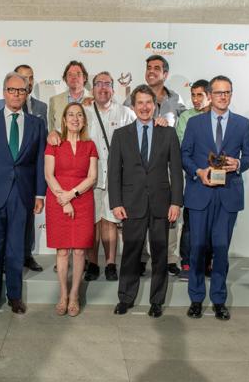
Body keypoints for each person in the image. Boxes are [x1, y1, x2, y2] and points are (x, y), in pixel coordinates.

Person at [0, 72, 47, 315]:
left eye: (21, 90)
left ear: (27, 94)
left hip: (23, 195)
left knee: (16, 247)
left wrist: (40, 195)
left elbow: (39, 162)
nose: (16, 94)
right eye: (12, 90)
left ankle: (14, 295)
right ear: (4, 92)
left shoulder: (37, 123)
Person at [181, 75, 249, 321]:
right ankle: (196, 299)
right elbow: (185, 155)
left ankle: (219, 300)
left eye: (227, 92)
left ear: (231, 95)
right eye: (219, 92)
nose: (223, 96)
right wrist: (198, 172)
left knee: (221, 251)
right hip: (200, 193)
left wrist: (238, 164)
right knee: (197, 249)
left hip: (228, 196)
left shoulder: (243, 124)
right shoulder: (195, 123)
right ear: (209, 95)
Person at [109, 85, 183, 318]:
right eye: (139, 103)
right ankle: (126, 298)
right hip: (131, 204)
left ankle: (157, 301)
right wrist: (116, 203)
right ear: (133, 106)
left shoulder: (168, 133)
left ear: (155, 105)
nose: (144, 107)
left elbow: (177, 171)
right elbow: (114, 173)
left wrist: (176, 202)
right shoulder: (121, 135)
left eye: (148, 103)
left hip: (162, 203)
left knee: (160, 253)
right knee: (131, 253)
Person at [125, 55, 186, 276]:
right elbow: (127, 125)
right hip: (142, 165)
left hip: (166, 164)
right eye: (149, 67)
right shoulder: (132, 98)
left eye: (157, 68)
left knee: (168, 217)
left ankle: (169, 258)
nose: (152, 71)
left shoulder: (176, 99)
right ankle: (141, 257)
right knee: (139, 212)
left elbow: (183, 127)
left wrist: (165, 127)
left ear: (165, 74)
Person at [0, 64, 47, 272]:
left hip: (28, 174)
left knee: (28, 218)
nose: (28, 82)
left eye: (30, 78)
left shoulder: (41, 107)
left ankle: (26, 254)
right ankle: (6, 257)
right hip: (4, 176)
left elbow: (41, 140)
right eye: (23, 78)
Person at [45, 103, 97, 316]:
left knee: (79, 250)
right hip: (57, 199)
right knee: (63, 250)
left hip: (82, 199)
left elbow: (92, 177)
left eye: (79, 115)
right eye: (71, 115)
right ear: (64, 120)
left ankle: (75, 294)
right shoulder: (54, 144)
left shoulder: (90, 145)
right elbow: (49, 175)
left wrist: (71, 195)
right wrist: (63, 199)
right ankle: (63, 294)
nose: (75, 118)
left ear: (84, 120)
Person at [83, 71, 136, 281]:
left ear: (113, 89)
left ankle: (111, 263)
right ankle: (93, 263)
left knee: (111, 221)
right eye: (98, 84)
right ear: (92, 88)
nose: (103, 87)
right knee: (92, 221)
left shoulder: (125, 113)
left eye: (107, 84)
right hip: (90, 176)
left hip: (117, 176)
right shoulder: (84, 112)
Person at [174, 79, 213, 281]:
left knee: (213, 226)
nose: (196, 99)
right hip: (195, 178)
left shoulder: (219, 116)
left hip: (218, 180)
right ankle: (187, 263)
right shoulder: (187, 117)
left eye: (200, 95)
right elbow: (183, 149)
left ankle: (207, 262)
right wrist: (197, 169)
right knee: (190, 224)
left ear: (210, 95)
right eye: (193, 95)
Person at [48, 60, 91, 132]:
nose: (74, 77)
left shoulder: (94, 100)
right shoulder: (54, 101)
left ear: (84, 78)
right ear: (65, 79)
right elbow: (52, 130)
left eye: (78, 74)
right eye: (70, 74)